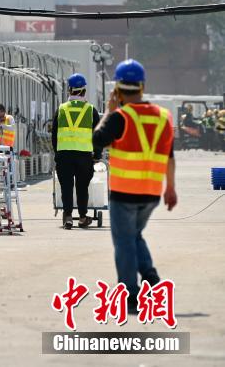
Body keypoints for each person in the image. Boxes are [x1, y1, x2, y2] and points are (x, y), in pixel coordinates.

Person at [92, 59, 177, 309]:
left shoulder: (119, 117)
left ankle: (130, 294)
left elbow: (97, 140)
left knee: (124, 242)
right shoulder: (163, 116)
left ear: (117, 88)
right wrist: (170, 188)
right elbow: (169, 156)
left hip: (124, 192)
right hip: (151, 193)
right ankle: (150, 277)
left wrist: (108, 111)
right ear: (142, 86)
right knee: (134, 234)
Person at [51, 74, 101, 229]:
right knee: (82, 187)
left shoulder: (61, 109)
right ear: (84, 91)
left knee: (66, 186)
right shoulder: (91, 110)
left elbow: (54, 134)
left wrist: (57, 153)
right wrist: (97, 155)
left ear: (70, 90)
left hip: (64, 154)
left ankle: (67, 217)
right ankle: (82, 217)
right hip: (84, 156)